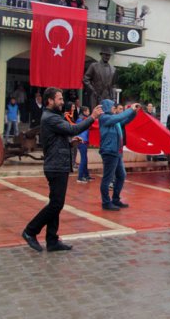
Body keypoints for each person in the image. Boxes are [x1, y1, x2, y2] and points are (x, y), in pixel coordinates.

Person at [22, 87, 103, 252]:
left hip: (59, 165)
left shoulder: (54, 117)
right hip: (55, 166)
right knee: (56, 204)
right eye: (59, 99)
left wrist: (70, 143)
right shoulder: (50, 118)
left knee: (55, 203)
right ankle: (30, 231)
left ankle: (52, 240)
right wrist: (92, 117)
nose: (62, 101)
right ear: (50, 101)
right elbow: (73, 129)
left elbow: (57, 139)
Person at [99, 99, 140, 211]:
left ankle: (115, 199)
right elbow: (119, 117)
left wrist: (133, 113)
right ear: (106, 107)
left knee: (121, 176)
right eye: (112, 106)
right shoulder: (105, 118)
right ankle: (106, 202)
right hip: (109, 152)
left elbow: (125, 120)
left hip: (116, 152)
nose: (114, 108)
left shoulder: (114, 120)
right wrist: (130, 109)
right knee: (107, 179)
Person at [76, 106, 92, 183]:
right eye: (88, 111)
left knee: (85, 159)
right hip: (82, 141)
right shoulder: (80, 120)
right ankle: (80, 177)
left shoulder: (84, 119)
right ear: (84, 112)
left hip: (84, 141)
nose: (89, 112)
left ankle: (86, 175)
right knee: (83, 159)